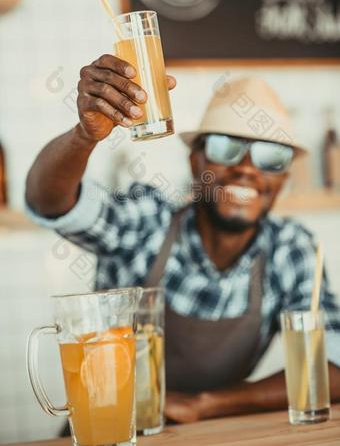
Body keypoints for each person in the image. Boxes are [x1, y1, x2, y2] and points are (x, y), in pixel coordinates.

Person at [26, 54, 340, 424]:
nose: (246, 169)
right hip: (115, 428)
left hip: (210, 434)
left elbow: (331, 364)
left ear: (283, 179)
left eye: (271, 157)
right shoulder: (148, 220)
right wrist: (84, 135)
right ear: (196, 162)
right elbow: (49, 201)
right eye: (226, 148)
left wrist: (204, 405)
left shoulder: (291, 249)